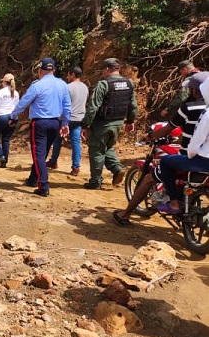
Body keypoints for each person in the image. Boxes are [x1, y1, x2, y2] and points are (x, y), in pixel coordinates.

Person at [113, 72, 208, 226]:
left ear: (196, 90)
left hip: (193, 159)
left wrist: (150, 136)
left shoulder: (189, 108)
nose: (190, 92)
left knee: (153, 174)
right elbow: (195, 133)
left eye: (191, 89)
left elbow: (168, 128)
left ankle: (126, 214)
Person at [9, 57, 71, 197]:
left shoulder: (37, 85)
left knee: (38, 155)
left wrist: (13, 116)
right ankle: (33, 179)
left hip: (40, 123)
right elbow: (67, 106)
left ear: (40, 71)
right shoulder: (62, 85)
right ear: (53, 70)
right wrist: (65, 123)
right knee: (42, 154)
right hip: (55, 123)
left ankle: (43, 186)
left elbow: (23, 103)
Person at [153, 77, 209, 214]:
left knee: (166, 162)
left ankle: (174, 203)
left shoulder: (206, 113)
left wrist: (190, 155)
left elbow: (196, 141)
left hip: (203, 161)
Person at [82, 58, 137, 189]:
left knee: (96, 150)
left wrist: (86, 125)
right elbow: (133, 105)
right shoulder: (129, 83)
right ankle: (117, 169)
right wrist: (130, 121)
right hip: (118, 123)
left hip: (102, 123)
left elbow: (93, 106)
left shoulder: (103, 84)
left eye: (103, 70)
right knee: (108, 147)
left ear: (107, 69)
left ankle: (95, 181)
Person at [47, 66, 88, 176]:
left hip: (66, 119)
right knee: (76, 142)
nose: (67, 77)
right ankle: (76, 167)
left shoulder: (67, 87)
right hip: (79, 119)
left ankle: (53, 161)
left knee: (57, 140)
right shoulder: (85, 87)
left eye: (68, 74)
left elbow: (61, 103)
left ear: (73, 75)